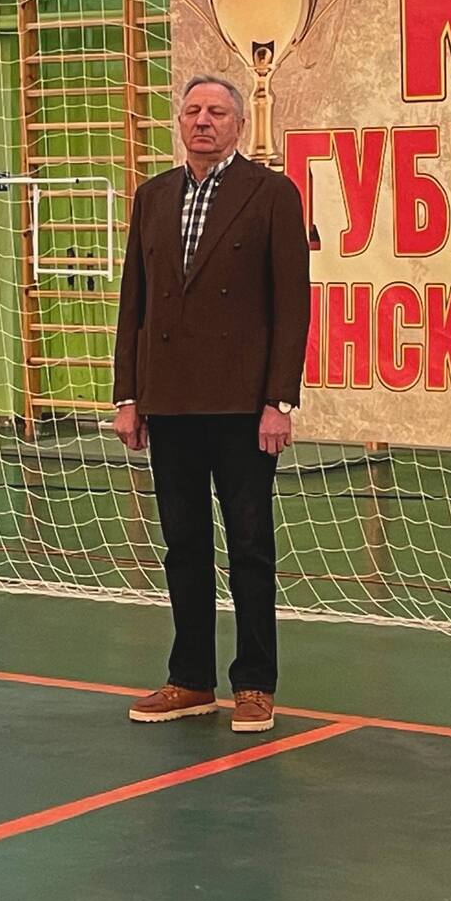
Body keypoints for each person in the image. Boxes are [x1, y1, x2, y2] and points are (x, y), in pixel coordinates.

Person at [111, 73, 311, 734]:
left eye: (217, 112)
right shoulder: (152, 196)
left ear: (238, 125)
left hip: (242, 404)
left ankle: (254, 684)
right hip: (169, 401)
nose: (203, 121)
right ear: (179, 121)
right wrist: (129, 396)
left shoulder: (273, 194)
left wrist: (279, 401)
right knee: (183, 544)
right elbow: (134, 304)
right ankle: (190, 679)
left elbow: (292, 306)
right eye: (193, 110)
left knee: (249, 544)